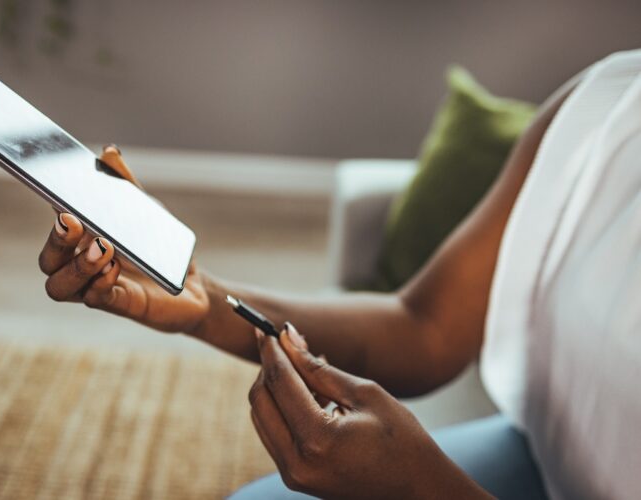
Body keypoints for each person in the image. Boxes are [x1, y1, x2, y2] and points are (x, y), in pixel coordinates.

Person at [36, 50, 641, 499]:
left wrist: (422, 488)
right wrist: (208, 303)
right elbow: (422, 326)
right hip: (539, 457)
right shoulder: (605, 101)